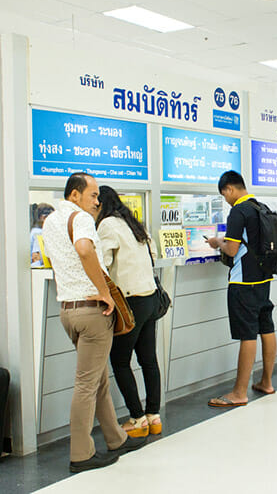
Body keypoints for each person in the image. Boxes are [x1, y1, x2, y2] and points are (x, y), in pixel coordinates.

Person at [42, 173, 146, 473]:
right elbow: (86, 251)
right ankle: (81, 454)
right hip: (92, 310)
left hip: (68, 311)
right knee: (87, 383)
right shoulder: (82, 219)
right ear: (74, 195)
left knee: (97, 378)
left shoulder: (50, 221)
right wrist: (104, 292)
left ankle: (116, 438)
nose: (97, 201)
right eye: (92, 195)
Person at [96, 186, 162, 438]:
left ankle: (137, 419)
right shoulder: (134, 224)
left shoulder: (107, 226)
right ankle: (153, 417)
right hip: (150, 297)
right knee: (148, 359)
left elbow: (102, 263)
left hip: (130, 302)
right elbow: (153, 253)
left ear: (101, 204)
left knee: (120, 361)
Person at [205, 171, 276, 408]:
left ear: (228, 189)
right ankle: (266, 382)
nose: (225, 199)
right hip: (264, 279)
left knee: (247, 334)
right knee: (266, 327)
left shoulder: (238, 211)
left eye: (224, 194)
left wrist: (217, 243)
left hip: (243, 282)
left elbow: (233, 250)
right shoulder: (260, 206)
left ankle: (239, 392)